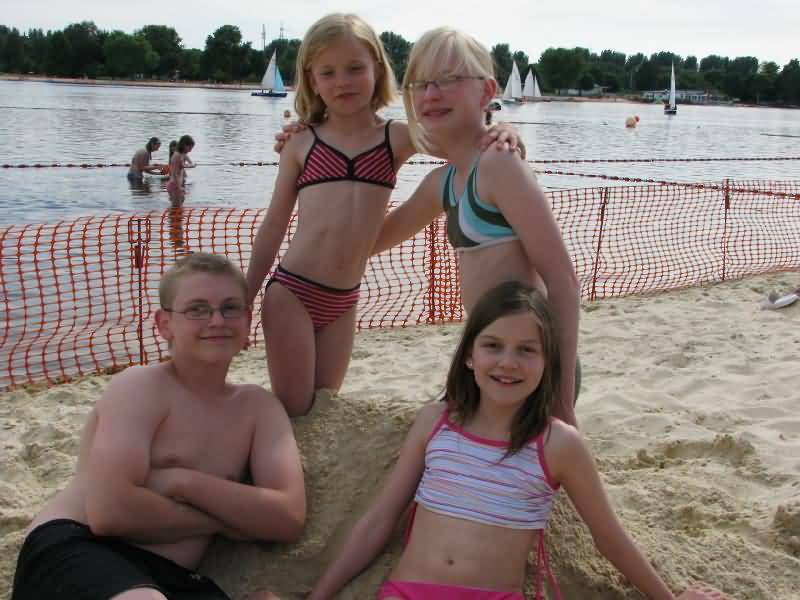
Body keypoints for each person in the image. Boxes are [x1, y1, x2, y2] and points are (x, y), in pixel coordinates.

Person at [307, 281, 727, 600]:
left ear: (547, 363)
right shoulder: (435, 421)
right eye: (493, 346)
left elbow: (609, 538)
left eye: (527, 350)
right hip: (407, 593)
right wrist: (318, 596)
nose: (508, 363)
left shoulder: (558, 445)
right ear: (469, 355)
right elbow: (380, 520)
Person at [246, 13, 523, 417]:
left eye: (355, 68)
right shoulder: (301, 143)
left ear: (377, 69)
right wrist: (246, 296)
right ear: (312, 80)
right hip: (292, 292)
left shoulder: (396, 137)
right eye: (328, 72)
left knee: (324, 407)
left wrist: (505, 130)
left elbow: (463, 143)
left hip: (344, 299)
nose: (343, 81)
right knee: (295, 410)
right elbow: (273, 226)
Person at [11, 252, 305, 600]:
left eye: (230, 308)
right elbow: (109, 512)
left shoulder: (258, 407)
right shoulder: (141, 387)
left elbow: (288, 517)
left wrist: (182, 481)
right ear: (164, 324)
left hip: (169, 575)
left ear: (247, 319)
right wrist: (220, 522)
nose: (216, 320)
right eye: (197, 309)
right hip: (79, 544)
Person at [370, 27, 580, 424]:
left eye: (448, 79)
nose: (431, 93)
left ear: (487, 92)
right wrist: (375, 167)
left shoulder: (499, 164)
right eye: (420, 84)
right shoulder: (443, 182)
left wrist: (561, 399)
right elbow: (373, 240)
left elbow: (564, 280)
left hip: (528, 362)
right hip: (487, 356)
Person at [166, 134, 196, 205]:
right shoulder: (177, 155)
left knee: (179, 206)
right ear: (184, 145)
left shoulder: (181, 154)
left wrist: (192, 165)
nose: (190, 150)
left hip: (176, 185)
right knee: (176, 208)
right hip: (174, 185)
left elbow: (181, 166)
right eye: (190, 148)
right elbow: (174, 173)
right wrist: (179, 188)